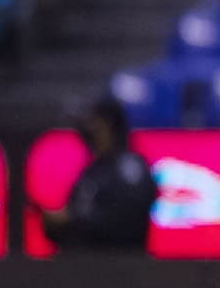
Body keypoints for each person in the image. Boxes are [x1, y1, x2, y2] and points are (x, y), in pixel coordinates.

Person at [41, 95, 158, 252]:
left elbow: (128, 221)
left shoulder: (130, 167)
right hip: (81, 267)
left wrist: (74, 220)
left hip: (121, 268)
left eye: (97, 125)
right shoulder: (91, 172)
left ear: (111, 128)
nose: (91, 132)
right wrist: (55, 224)